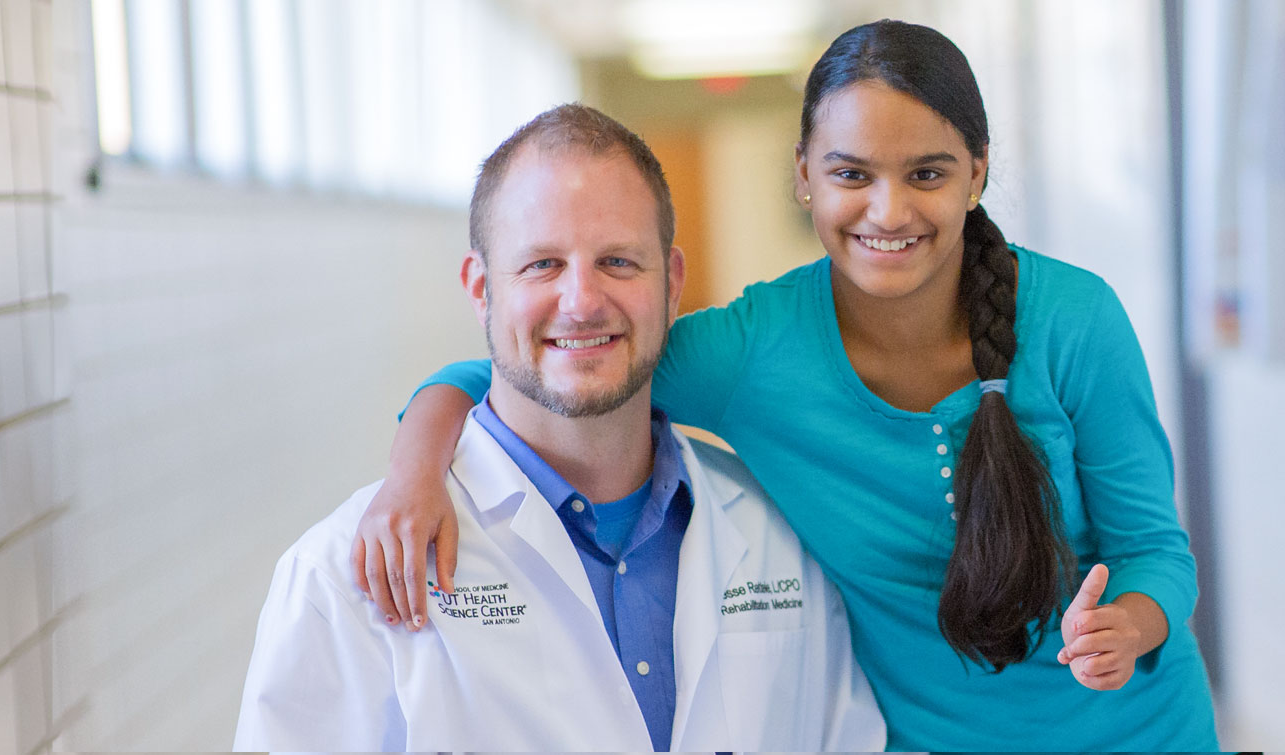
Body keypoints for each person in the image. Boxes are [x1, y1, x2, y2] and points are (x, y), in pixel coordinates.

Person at [354, 20, 1220, 752]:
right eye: (852, 174)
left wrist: (1131, 623)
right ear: (803, 173)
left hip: (1144, 730)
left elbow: (1156, 550)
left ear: (977, 174)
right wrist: (413, 472)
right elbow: (541, 363)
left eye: (926, 173)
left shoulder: (1074, 318)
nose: (888, 212)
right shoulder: (753, 352)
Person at [233, 104, 884, 752]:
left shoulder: (777, 534)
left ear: (672, 282)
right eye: (542, 264)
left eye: (619, 262)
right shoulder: (338, 576)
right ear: (481, 288)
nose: (581, 302)